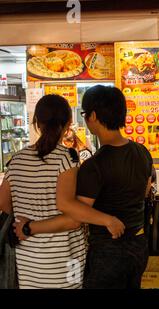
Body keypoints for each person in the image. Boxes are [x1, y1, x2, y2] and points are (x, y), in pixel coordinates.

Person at [0, 95, 122, 288]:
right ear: (68, 124)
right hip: (65, 261)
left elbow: (4, 204)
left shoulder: (16, 160)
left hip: (28, 260)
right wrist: (108, 220)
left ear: (36, 123)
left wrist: (27, 220)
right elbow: (73, 219)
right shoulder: (66, 159)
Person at [58, 85, 153, 289]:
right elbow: (145, 190)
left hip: (108, 251)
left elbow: (77, 216)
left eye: (84, 114)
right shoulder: (142, 151)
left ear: (92, 115)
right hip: (139, 246)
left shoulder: (94, 165)